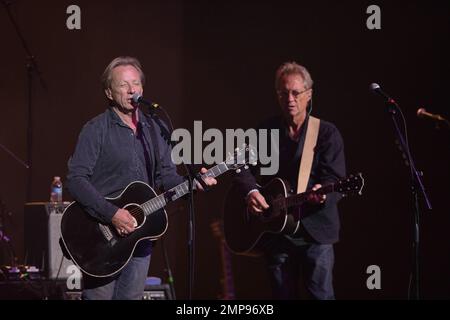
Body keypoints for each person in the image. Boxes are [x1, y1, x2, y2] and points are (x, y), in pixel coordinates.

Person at [66, 56, 217, 300]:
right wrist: (112, 214)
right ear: (109, 92)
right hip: (101, 237)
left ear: (143, 88)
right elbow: (75, 179)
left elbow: (167, 178)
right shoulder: (95, 129)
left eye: (135, 83)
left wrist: (193, 185)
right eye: (123, 85)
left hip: (141, 235)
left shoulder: (155, 128)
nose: (132, 89)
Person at [233, 61, 346, 299]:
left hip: (316, 232)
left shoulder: (326, 133)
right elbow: (240, 166)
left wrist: (323, 193)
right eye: (284, 93)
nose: (290, 99)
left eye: (296, 93)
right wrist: (251, 192)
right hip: (278, 232)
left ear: (309, 94)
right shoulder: (267, 130)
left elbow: (336, 179)